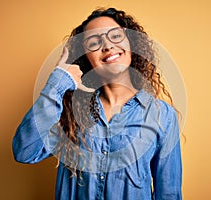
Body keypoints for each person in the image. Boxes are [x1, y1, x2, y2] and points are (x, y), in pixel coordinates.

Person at [12, 7, 182, 200]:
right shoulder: (70, 110)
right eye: (94, 42)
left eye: (115, 36)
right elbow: (25, 151)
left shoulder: (162, 115)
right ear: (86, 58)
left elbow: (168, 194)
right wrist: (59, 82)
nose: (108, 46)